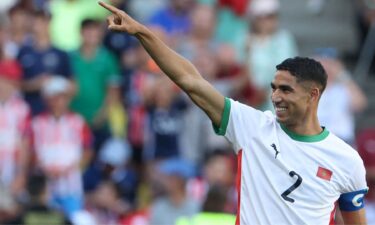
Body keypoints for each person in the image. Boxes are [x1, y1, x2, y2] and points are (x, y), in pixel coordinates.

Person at [98, 2, 369, 224]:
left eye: (286, 90)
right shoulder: (250, 126)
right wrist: (143, 33)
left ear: (313, 95)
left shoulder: (346, 160)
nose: (275, 96)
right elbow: (190, 80)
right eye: (273, 88)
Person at [30, 76, 92, 219]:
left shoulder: (77, 121)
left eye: (61, 97)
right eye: (53, 97)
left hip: (71, 185)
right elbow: (31, 150)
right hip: (45, 187)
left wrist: (73, 168)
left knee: (74, 218)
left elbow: (88, 150)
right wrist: (43, 169)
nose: (57, 102)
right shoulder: (37, 123)